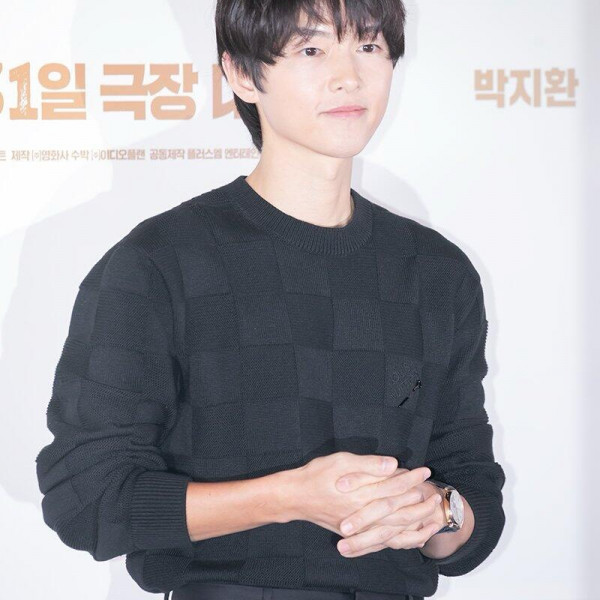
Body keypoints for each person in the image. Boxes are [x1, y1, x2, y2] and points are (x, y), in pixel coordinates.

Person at [35, 1, 506, 599]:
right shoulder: (160, 263)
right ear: (241, 73)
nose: (348, 77)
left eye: (368, 46)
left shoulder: (437, 271)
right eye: (311, 50)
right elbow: (86, 498)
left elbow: (470, 489)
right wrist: (287, 498)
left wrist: (438, 513)